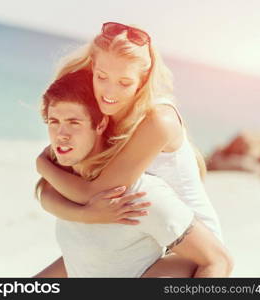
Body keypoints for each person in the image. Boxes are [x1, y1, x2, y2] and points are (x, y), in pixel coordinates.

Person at [35, 22, 229, 277]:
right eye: (102, 76)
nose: (109, 91)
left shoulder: (158, 120)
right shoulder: (103, 112)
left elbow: (94, 192)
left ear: (143, 80)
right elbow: (47, 192)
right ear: (93, 66)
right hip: (134, 230)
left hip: (188, 244)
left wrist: (43, 165)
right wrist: (84, 214)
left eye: (124, 82)